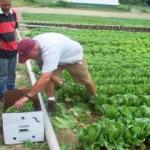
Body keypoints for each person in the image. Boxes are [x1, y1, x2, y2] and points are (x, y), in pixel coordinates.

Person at [14, 32, 96, 112]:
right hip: (54, 56)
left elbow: (45, 78)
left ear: (34, 49)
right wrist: (50, 76)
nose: (29, 59)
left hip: (72, 57)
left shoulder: (50, 49)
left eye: (28, 56)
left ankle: (94, 99)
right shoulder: (33, 44)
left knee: (86, 81)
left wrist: (28, 96)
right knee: (48, 78)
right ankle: (51, 102)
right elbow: (46, 76)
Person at [0, 0, 18, 102]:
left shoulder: (14, 13)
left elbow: (14, 30)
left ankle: (10, 93)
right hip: (2, 52)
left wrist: (15, 44)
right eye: (4, 5)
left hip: (13, 50)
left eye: (9, 4)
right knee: (3, 76)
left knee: (12, 74)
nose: (7, 7)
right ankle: (3, 95)